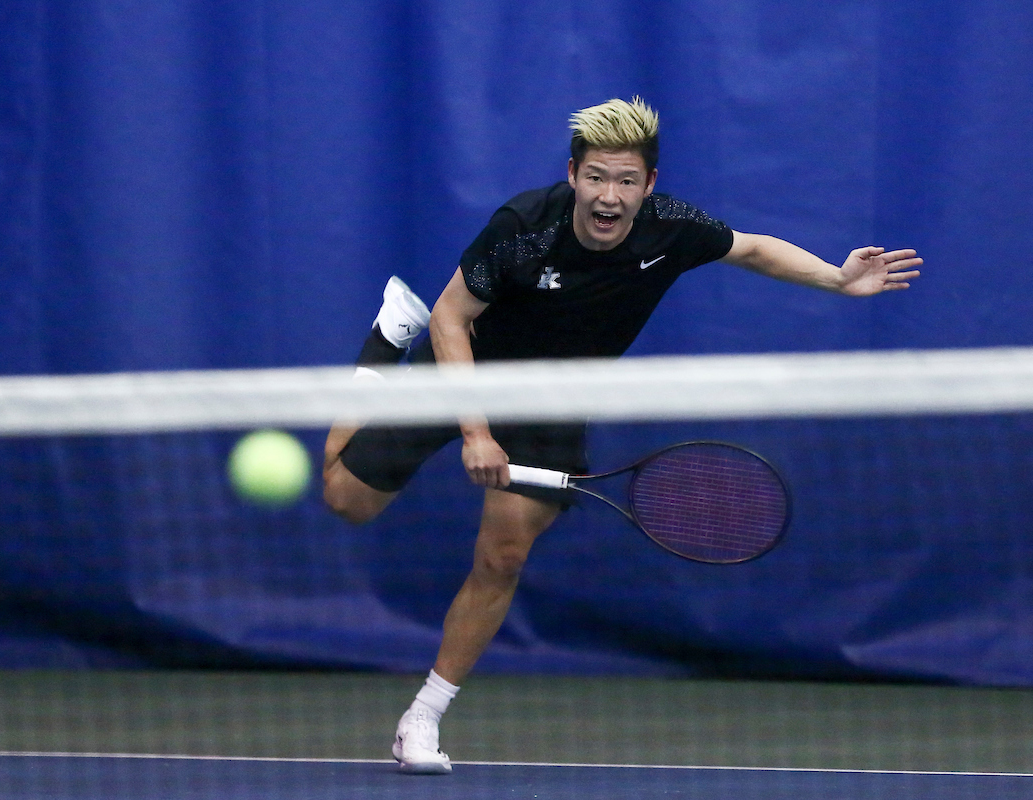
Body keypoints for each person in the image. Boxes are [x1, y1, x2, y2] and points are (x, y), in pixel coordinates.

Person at [322, 97, 922, 774]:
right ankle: (383, 344)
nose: (609, 196)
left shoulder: (671, 229)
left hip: (552, 401)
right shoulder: (523, 228)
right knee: (346, 499)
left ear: (649, 185)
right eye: (597, 177)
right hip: (466, 367)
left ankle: (423, 716)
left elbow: (752, 248)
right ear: (573, 175)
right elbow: (451, 317)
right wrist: (476, 432)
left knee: (504, 555)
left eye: (626, 181)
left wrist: (837, 279)